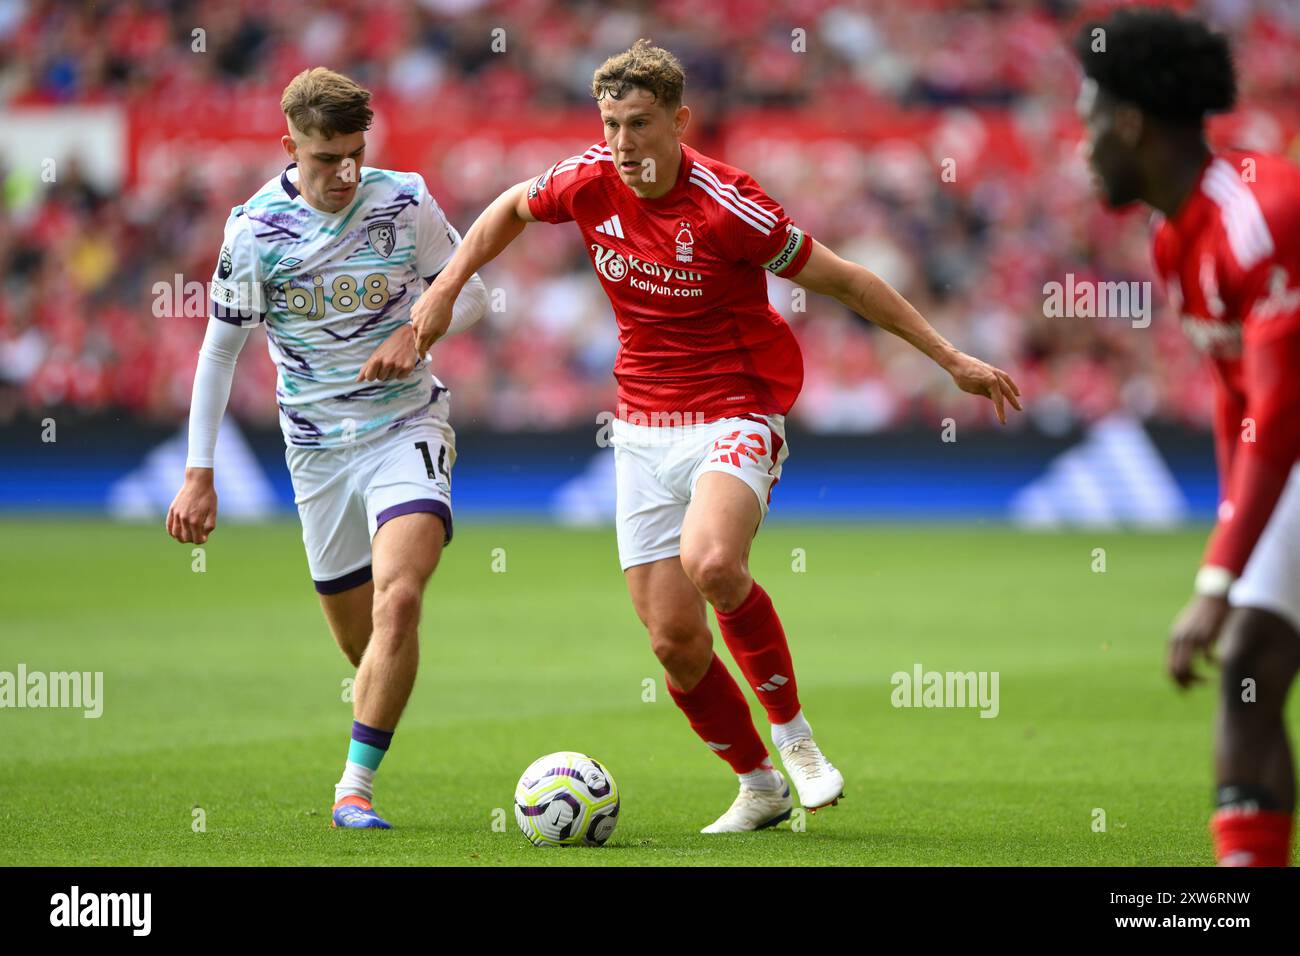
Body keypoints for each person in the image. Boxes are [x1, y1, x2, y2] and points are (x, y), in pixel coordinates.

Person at [389, 40, 1021, 832]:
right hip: (641, 429)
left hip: (735, 409)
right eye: (612, 124)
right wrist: (446, 287)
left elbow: (848, 280)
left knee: (714, 561)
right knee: (674, 643)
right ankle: (759, 786)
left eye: (640, 124)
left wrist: (950, 358)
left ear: (679, 121)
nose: (622, 143)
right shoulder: (588, 180)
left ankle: (797, 742)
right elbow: (513, 207)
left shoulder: (730, 203)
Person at [166, 67, 488, 829]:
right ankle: (386, 682)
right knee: (368, 641)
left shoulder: (404, 200)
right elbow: (219, 354)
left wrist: (418, 330)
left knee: (400, 596)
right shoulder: (252, 231)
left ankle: (353, 789)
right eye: (325, 158)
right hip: (315, 454)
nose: (344, 172)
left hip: (405, 428)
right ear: (290, 147)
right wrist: (198, 473)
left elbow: (468, 291)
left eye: (354, 152)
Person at [1077, 7, 1300, 865]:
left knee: (1248, 656)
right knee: (1250, 672)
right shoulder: (1177, 242)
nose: (1082, 145)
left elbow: (1279, 413)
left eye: (1089, 121)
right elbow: (1237, 402)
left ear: (1129, 122)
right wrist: (1229, 546)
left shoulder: (1257, 214)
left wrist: (1217, 577)